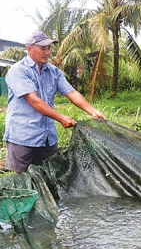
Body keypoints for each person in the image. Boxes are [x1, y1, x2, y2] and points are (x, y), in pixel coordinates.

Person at [3, 30, 107, 173]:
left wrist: (93, 111)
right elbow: (33, 101)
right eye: (43, 48)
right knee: (23, 181)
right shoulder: (18, 71)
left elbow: (71, 93)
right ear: (29, 49)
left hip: (47, 138)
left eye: (49, 48)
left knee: (50, 177)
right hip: (22, 137)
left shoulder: (54, 72)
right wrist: (61, 118)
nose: (47, 52)